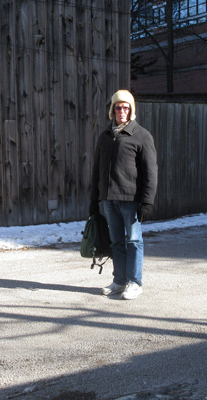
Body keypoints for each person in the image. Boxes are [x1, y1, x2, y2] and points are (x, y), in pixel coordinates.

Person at [89, 89, 158, 300]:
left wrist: (147, 201)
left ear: (131, 110)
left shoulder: (141, 136)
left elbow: (151, 172)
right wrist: (94, 200)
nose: (122, 111)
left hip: (131, 200)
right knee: (116, 242)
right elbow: (97, 171)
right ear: (113, 110)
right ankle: (119, 281)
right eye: (118, 107)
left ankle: (135, 283)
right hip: (109, 200)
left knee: (134, 241)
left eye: (126, 107)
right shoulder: (105, 136)